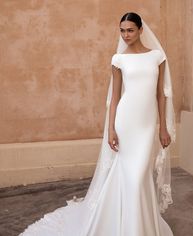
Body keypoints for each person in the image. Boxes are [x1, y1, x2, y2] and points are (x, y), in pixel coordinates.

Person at [19, 12, 176, 236]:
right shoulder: (118, 59)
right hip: (126, 121)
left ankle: (141, 227)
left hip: (147, 123)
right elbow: (114, 99)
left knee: (140, 175)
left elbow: (161, 95)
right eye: (122, 30)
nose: (126, 34)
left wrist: (163, 127)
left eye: (130, 30)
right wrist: (111, 128)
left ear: (141, 30)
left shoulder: (157, 57)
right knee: (131, 176)